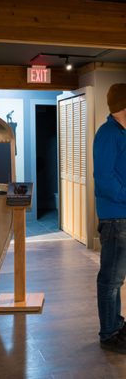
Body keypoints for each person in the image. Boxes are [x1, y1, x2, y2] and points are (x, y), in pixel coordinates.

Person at [93, 83, 126, 353]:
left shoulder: (120, 132)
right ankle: (108, 333)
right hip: (116, 217)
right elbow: (103, 177)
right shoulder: (108, 133)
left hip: (121, 215)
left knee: (117, 278)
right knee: (111, 279)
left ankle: (116, 323)